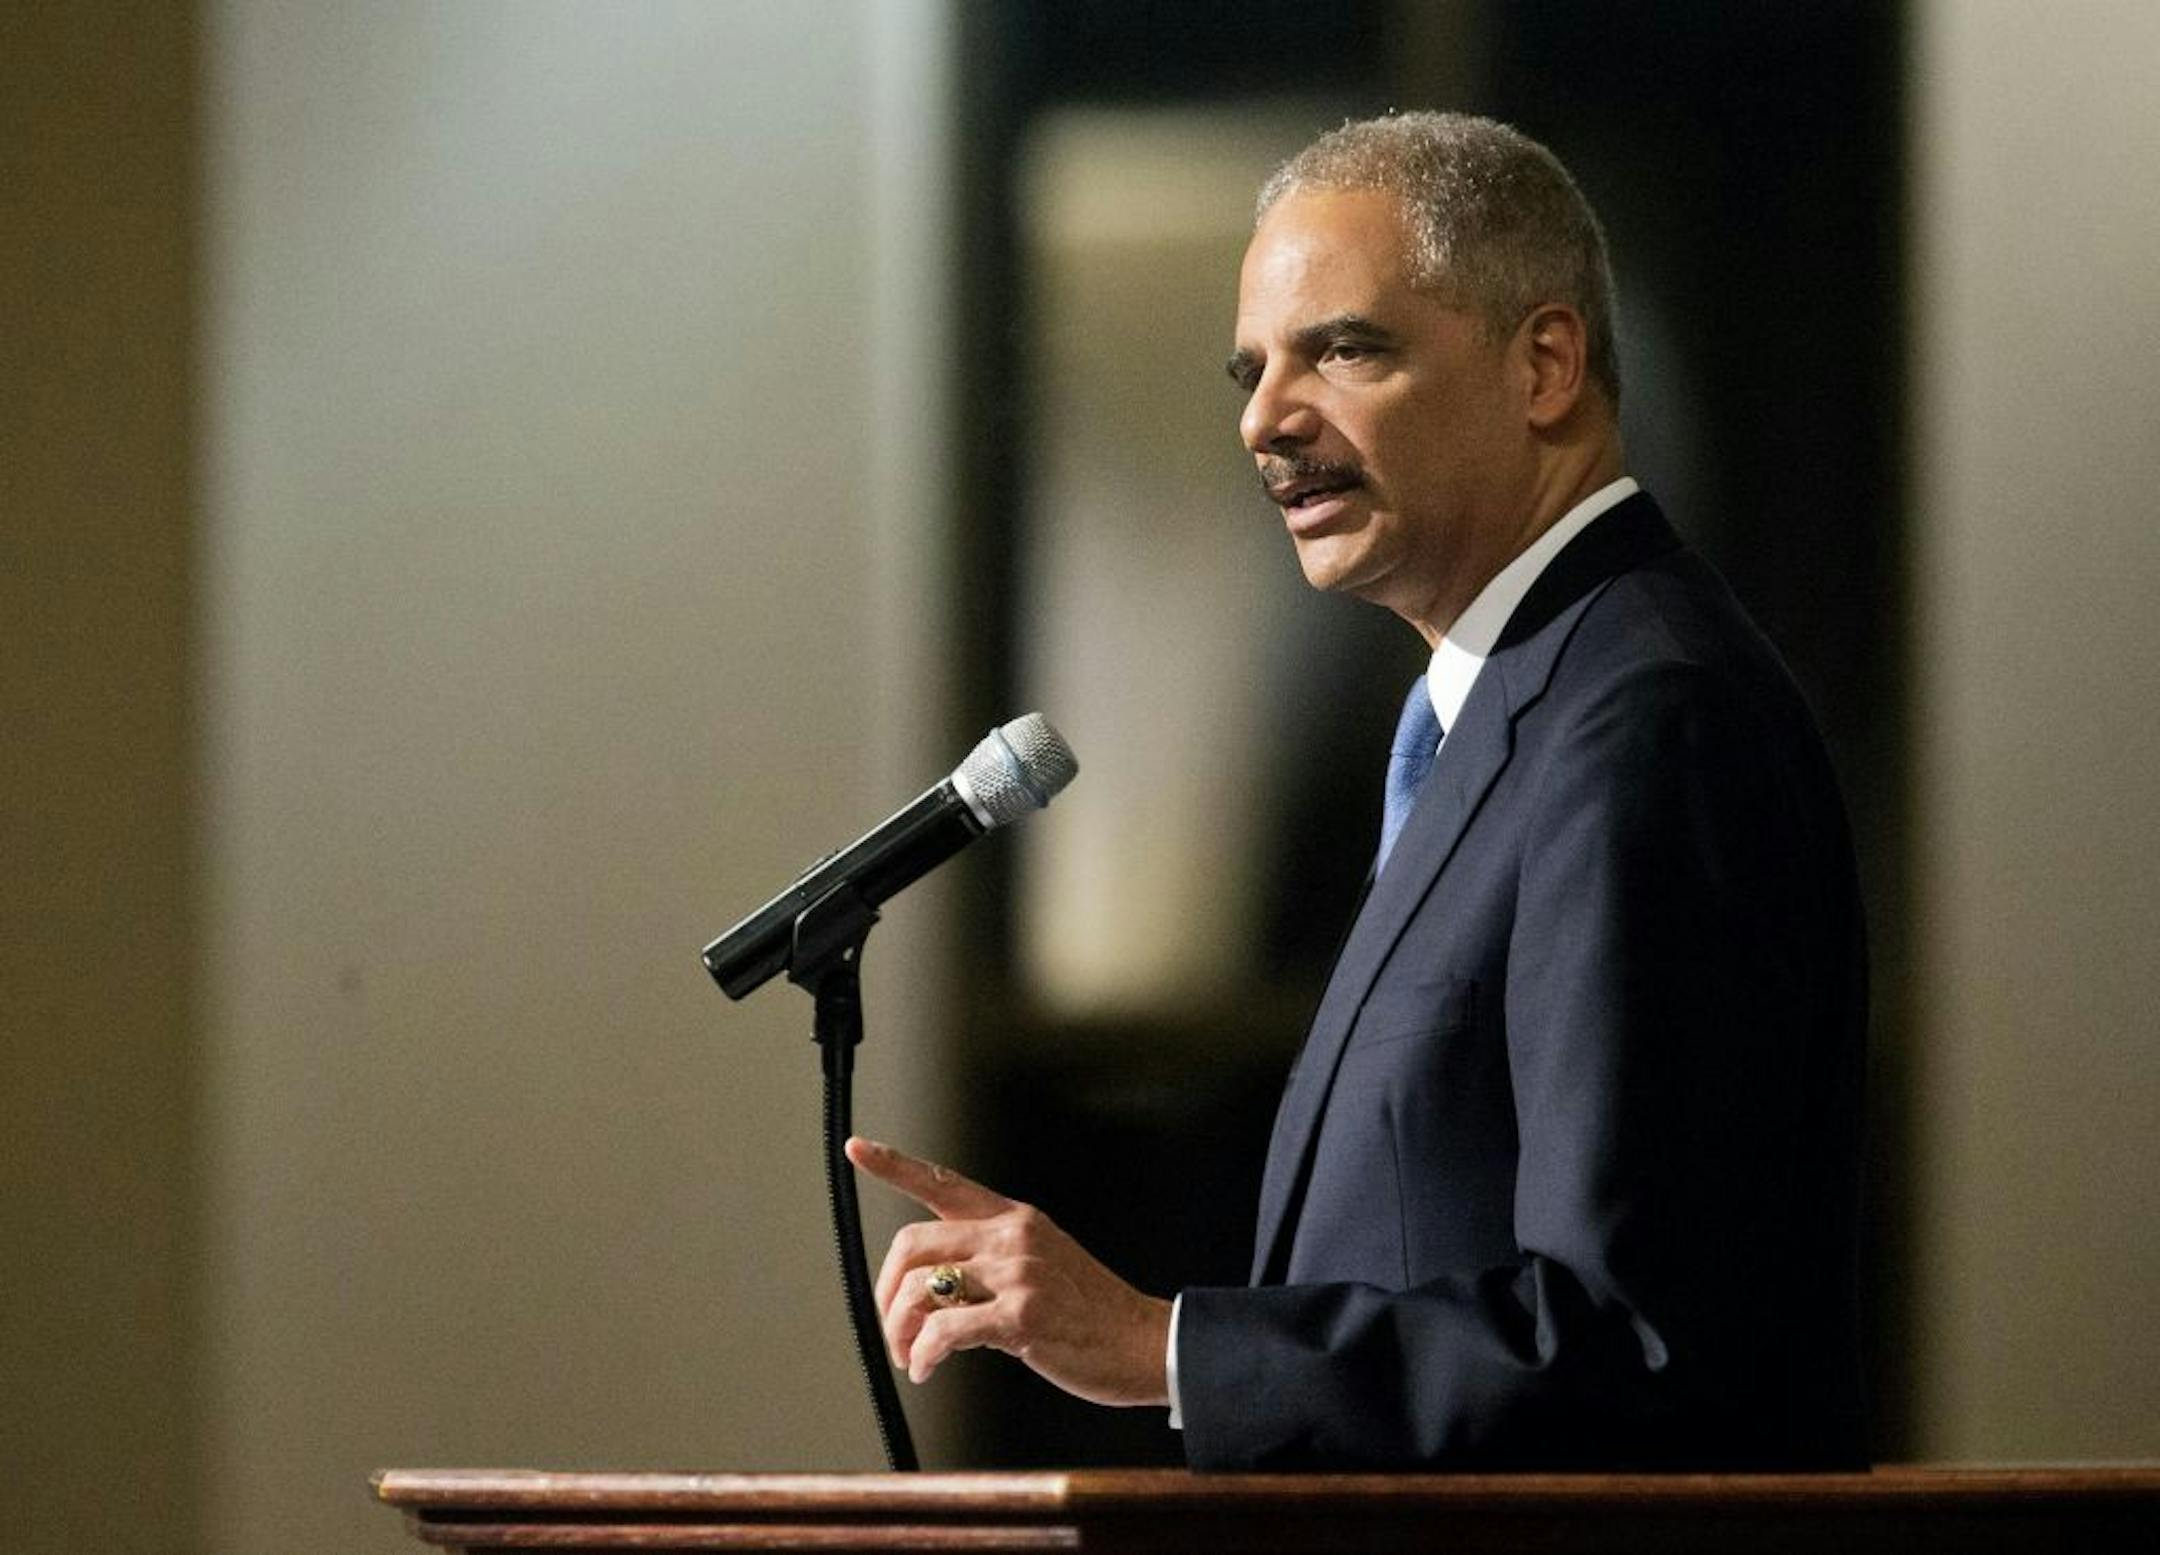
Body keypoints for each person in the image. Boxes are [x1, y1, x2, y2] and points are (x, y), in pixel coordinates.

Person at [848, 110, 1868, 1471]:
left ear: (1546, 363)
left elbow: (1635, 1337)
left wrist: (1160, 1345)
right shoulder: (1502, 718)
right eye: (1250, 369)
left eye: (1344, 349)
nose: (1268, 418)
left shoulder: (1646, 721)